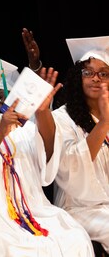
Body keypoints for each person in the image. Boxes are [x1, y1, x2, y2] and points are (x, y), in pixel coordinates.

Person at [0, 45, 94, 256]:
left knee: (74, 237)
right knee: (6, 249)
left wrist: (42, 113)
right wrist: (0, 132)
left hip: (32, 210)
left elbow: (46, 157)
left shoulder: (17, 126)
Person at [47, 36, 109, 255]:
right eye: (88, 72)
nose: (96, 79)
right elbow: (70, 168)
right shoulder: (62, 118)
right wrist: (103, 124)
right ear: (77, 78)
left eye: (103, 73)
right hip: (79, 208)